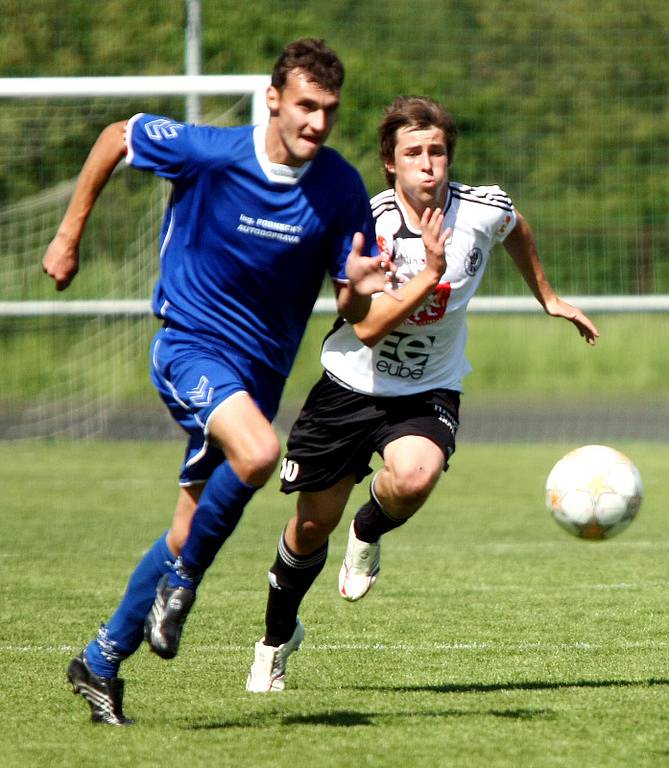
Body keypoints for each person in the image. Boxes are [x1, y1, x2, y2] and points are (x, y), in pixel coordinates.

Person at [43, 39, 396, 726]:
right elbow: (118, 137)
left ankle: (100, 660)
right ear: (273, 99)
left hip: (259, 375)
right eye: (304, 106)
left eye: (327, 110)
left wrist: (360, 291)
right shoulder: (209, 151)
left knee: (186, 525)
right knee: (260, 454)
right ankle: (183, 586)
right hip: (190, 346)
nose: (316, 123)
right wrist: (69, 233)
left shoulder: (340, 189)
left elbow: (352, 307)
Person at [243, 95, 600, 692]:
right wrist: (431, 270)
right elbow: (366, 326)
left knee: (413, 476)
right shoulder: (371, 224)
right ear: (391, 162)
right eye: (414, 153)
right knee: (309, 530)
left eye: (437, 151)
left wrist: (548, 295)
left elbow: (516, 228)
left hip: (428, 388)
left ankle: (369, 529)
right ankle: (275, 643)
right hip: (349, 386)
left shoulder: (483, 210)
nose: (428, 164)